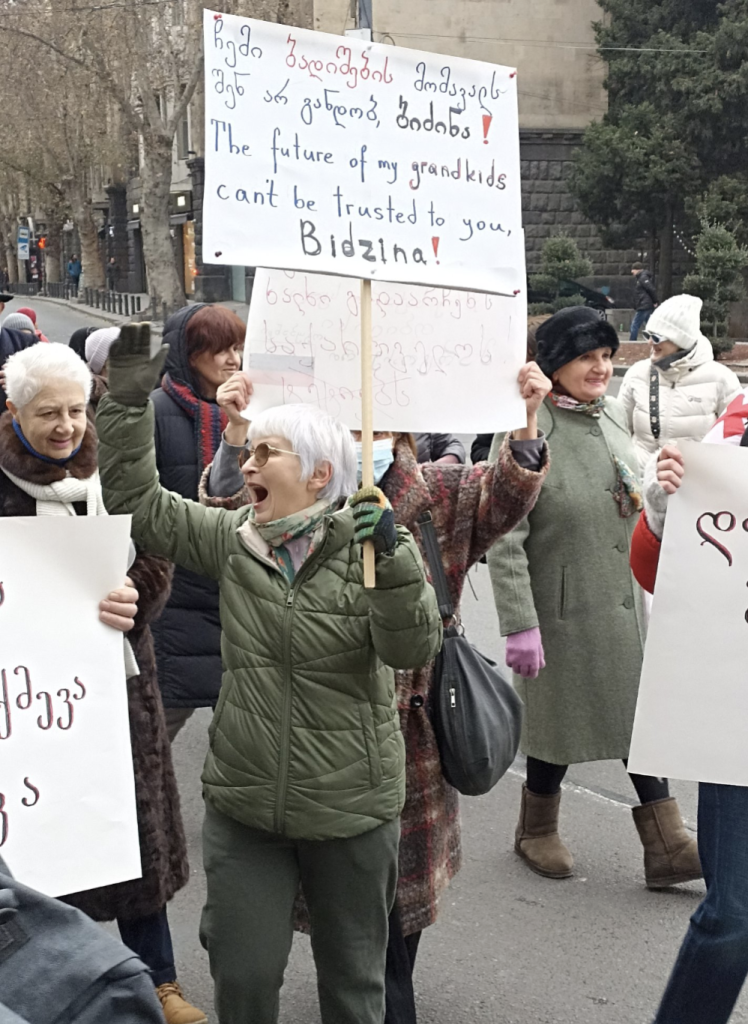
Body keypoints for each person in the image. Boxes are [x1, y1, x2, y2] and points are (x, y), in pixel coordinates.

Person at [95, 321, 442, 1024]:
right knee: (243, 976)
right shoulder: (234, 540)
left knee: (354, 987)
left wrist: (399, 566)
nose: (247, 465)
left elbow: (412, 650)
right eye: (249, 452)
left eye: (267, 453)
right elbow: (137, 501)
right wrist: (126, 401)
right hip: (246, 807)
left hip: (350, 809)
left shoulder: (376, 550)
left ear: (319, 473)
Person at [202, 361, 552, 1024]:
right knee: (311, 942)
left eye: (375, 417)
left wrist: (527, 418)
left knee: (389, 951)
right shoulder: (302, 492)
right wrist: (238, 434)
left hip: (407, 750)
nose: (361, 429)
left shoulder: (432, 496)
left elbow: (501, 496)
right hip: (306, 754)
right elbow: (229, 518)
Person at [0, 343, 205, 1024]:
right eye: (47, 413)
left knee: (127, 830)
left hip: (115, 687)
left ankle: (159, 980)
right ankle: (43, 983)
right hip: (22, 699)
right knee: (37, 841)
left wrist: (135, 596)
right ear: (13, 410)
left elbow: (156, 552)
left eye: (75, 410)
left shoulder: (113, 469)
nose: (66, 426)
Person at [486, 306, 701, 888]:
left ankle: (666, 845)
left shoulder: (606, 419)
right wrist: (518, 622)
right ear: (555, 366)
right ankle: (537, 828)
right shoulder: (527, 431)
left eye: (607, 356)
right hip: (560, 607)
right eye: (588, 357)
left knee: (635, 720)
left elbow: (628, 491)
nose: (602, 368)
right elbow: (504, 534)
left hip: (619, 598)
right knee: (559, 722)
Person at [631, 429, 748, 1024]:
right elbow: (660, 577)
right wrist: (662, 510)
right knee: (732, 914)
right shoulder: (734, 433)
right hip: (739, 722)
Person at [148, 304, 244, 742]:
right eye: (220, 349)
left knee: (247, 737)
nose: (233, 360)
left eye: (238, 348)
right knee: (156, 728)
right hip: (177, 592)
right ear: (188, 353)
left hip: (239, 586)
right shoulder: (156, 410)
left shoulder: (254, 414)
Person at [619, 294, 741, 472]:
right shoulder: (637, 373)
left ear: (680, 340)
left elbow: (734, 439)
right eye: (648, 334)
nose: (650, 342)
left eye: (657, 337)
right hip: (640, 485)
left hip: (692, 488)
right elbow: (620, 430)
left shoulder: (721, 378)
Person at [629, 261, 658, 340]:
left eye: (633, 269)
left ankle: (632, 342)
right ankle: (655, 339)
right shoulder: (641, 278)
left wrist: (655, 301)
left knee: (634, 325)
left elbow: (651, 289)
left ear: (638, 269)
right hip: (645, 304)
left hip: (644, 305)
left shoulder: (643, 278)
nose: (632, 271)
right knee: (649, 324)